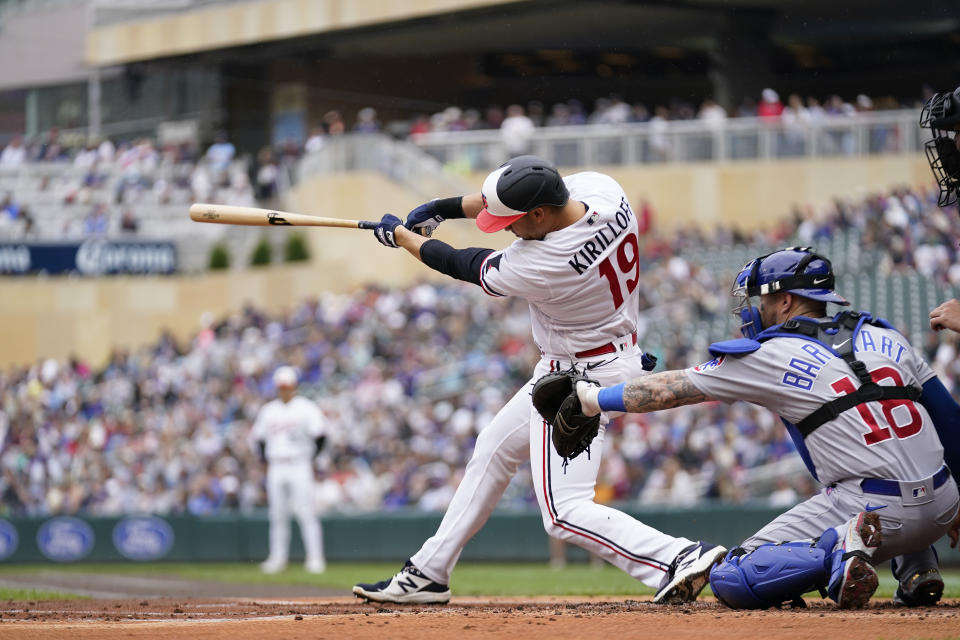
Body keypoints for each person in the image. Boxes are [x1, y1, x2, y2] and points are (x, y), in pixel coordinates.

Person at [353, 155, 726, 605]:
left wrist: (402, 237)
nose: (506, 229)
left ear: (539, 215)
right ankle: (429, 572)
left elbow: (459, 262)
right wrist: (441, 207)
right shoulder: (603, 189)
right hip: (600, 354)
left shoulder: (546, 261)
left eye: (513, 222)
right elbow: (503, 200)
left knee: (563, 512)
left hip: (578, 377)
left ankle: (677, 557)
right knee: (491, 449)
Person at [573, 248, 960, 608]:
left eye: (763, 299)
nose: (756, 309)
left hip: (870, 506)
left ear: (786, 301)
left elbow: (670, 390)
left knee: (734, 573)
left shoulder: (771, 353)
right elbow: (949, 422)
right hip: (944, 504)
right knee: (893, 458)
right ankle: (918, 570)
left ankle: (840, 550)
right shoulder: (886, 335)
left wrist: (592, 399)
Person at [249, 366, 327, 574]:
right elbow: (259, 440)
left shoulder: (306, 407)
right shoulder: (269, 410)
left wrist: (310, 458)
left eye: (288, 387)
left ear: (295, 387)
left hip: (299, 463)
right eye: (281, 387)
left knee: (306, 512)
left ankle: (315, 558)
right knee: (277, 515)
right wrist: (265, 463)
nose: (284, 390)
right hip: (276, 465)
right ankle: (277, 558)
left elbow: (320, 436)